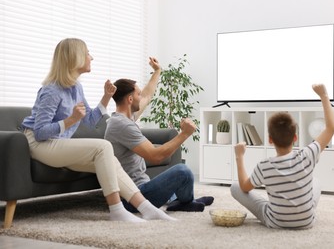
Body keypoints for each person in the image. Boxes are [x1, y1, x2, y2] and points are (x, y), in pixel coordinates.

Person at [21, 38, 176, 223]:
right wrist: (70, 120)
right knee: (102, 147)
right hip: (38, 143)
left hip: (57, 142)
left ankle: (146, 208)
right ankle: (117, 210)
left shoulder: (76, 87)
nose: (91, 57)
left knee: (109, 158)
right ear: (75, 57)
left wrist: (106, 97)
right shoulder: (52, 90)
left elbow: (90, 120)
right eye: (87, 53)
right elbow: (40, 132)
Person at [104, 58, 214, 213]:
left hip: (141, 187)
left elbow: (148, 95)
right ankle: (185, 201)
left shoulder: (127, 118)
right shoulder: (121, 124)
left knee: (176, 177)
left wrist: (157, 71)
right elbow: (155, 156)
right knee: (183, 171)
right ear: (130, 99)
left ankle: (183, 200)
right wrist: (184, 134)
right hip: (132, 197)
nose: (141, 97)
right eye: (138, 94)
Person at [230, 84, 334, 229]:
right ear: (295, 138)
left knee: (235, 187)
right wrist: (324, 96)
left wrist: (239, 156)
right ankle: (301, 211)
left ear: (270, 140)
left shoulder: (264, 166)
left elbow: (244, 186)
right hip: (307, 222)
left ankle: (279, 208)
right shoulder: (307, 155)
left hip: (276, 222)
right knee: (315, 181)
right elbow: (331, 128)